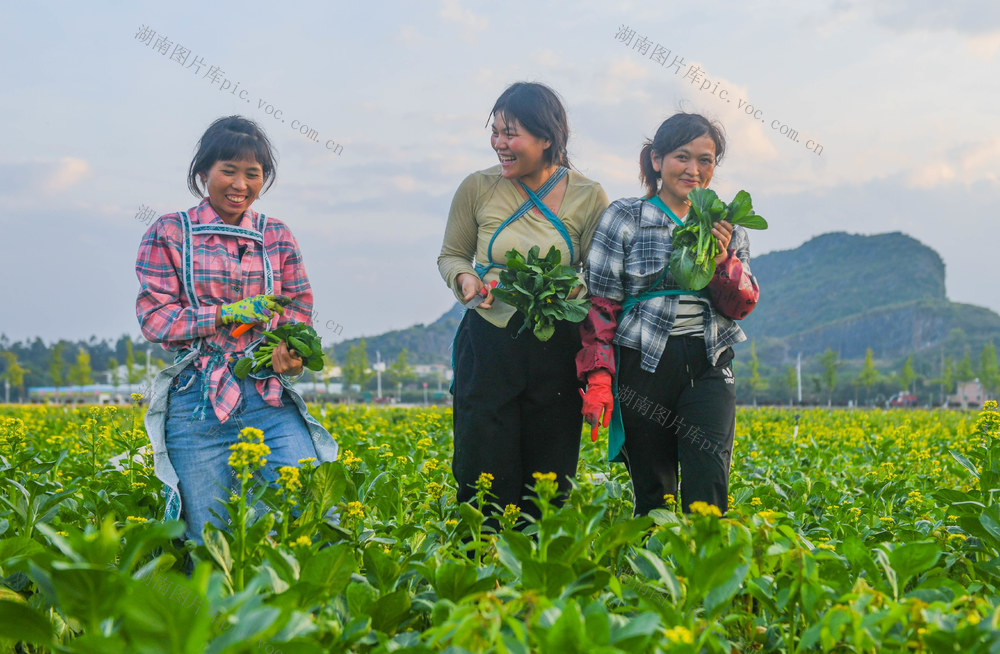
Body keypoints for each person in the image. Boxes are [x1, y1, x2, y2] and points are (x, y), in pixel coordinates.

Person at [135, 115, 338, 543]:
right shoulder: (170, 231)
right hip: (196, 401)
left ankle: (304, 608)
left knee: (312, 511)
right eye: (228, 170)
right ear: (203, 172)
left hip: (266, 393)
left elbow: (298, 308)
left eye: (253, 174)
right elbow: (154, 318)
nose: (239, 184)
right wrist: (226, 314)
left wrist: (289, 351)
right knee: (211, 538)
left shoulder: (276, 235)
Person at [438, 82, 609, 520]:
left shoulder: (589, 196)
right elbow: (453, 254)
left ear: (547, 137)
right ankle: (481, 566)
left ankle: (536, 573)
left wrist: (576, 299)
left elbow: (602, 282)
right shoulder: (477, 187)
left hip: (557, 346)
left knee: (548, 472)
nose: (499, 144)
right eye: (495, 132)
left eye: (510, 133)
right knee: (482, 465)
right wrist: (466, 281)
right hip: (489, 341)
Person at [576, 113, 759, 516]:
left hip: (708, 361)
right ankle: (656, 577)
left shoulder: (728, 227)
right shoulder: (625, 217)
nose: (694, 170)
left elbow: (741, 304)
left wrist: (721, 256)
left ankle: (704, 575)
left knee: (708, 484)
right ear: (657, 160)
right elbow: (600, 305)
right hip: (643, 363)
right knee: (654, 489)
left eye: (705, 160)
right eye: (682, 157)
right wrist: (600, 377)